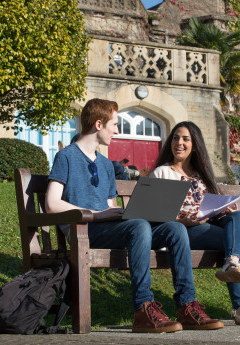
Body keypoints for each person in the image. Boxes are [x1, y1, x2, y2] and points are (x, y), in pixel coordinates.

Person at [45, 99, 224, 333]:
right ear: (99, 124)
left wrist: (128, 212)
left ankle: (187, 306)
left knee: (175, 228)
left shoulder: (107, 165)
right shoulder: (66, 157)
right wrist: (99, 214)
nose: (117, 130)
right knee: (139, 226)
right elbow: (51, 204)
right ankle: (143, 308)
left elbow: (111, 207)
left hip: (109, 229)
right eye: (115, 124)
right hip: (83, 231)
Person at [150, 121, 240, 326]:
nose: (179, 143)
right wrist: (182, 220)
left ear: (195, 145)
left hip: (208, 225)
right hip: (182, 232)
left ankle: (231, 263)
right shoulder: (162, 173)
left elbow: (210, 206)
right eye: (175, 138)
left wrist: (223, 208)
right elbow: (154, 215)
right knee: (237, 241)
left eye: (185, 139)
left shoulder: (202, 175)